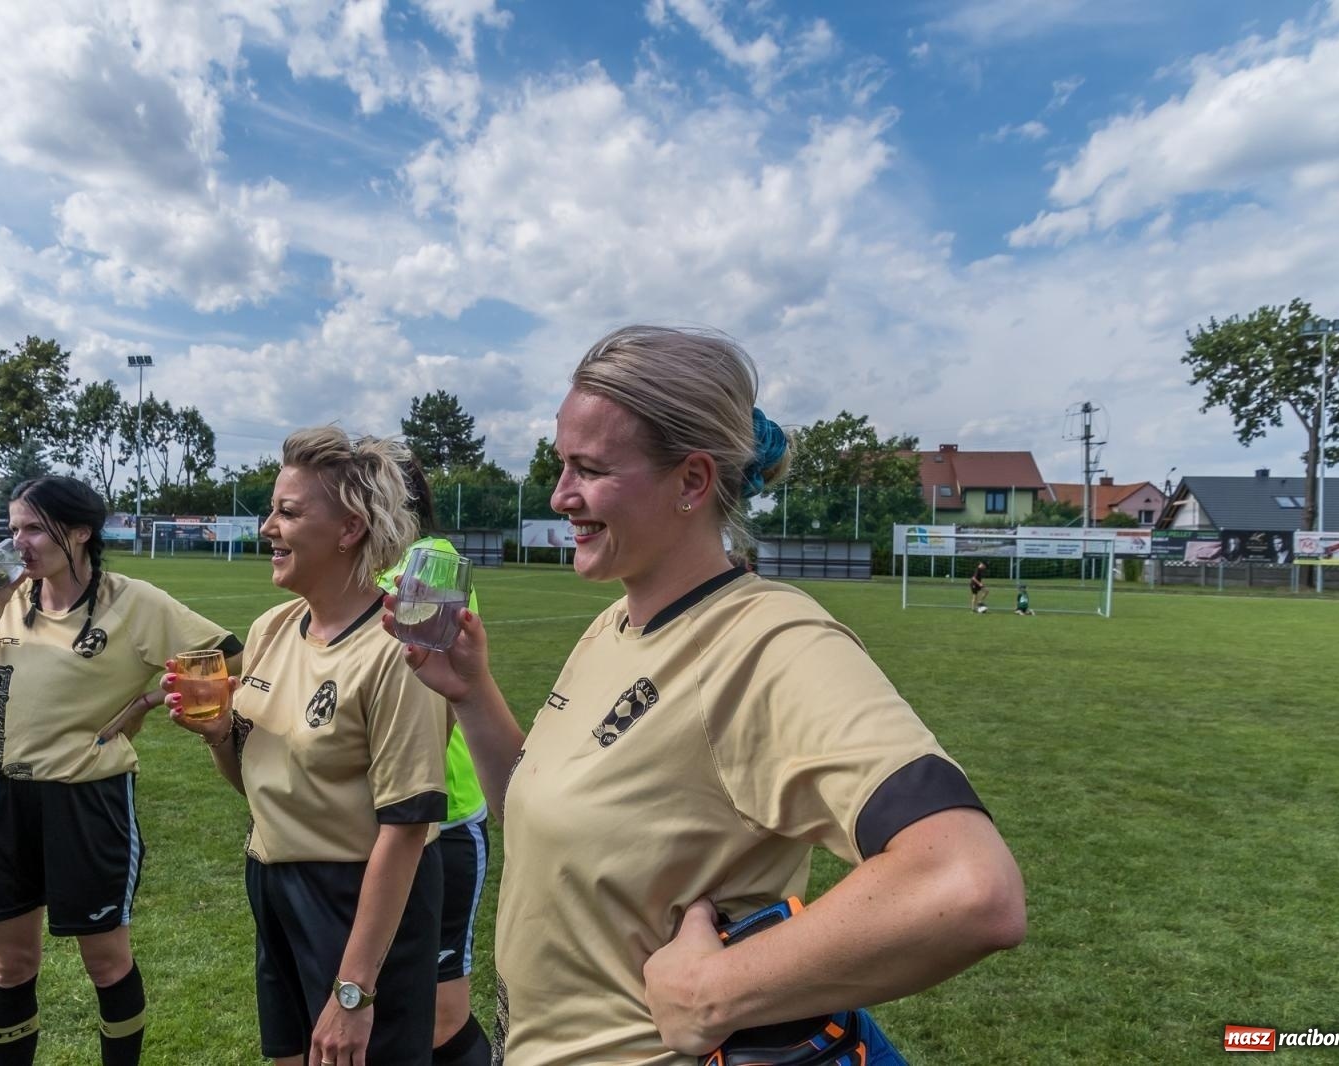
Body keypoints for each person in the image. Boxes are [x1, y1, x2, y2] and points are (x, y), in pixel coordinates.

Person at [388, 325, 1026, 1065]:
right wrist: (471, 692)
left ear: (692, 481)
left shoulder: (770, 642)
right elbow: (547, 817)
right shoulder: (613, 625)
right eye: (562, 465)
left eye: (588, 468)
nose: (562, 495)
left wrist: (717, 989)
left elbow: (968, 884)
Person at [165, 427, 448, 1066]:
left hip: (359, 901)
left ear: (350, 529)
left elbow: (405, 831)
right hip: (272, 880)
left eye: (288, 513)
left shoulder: (403, 650)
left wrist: (353, 993)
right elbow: (262, 779)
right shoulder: (271, 629)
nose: (268, 526)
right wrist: (218, 738)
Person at [0, 475, 242, 1066]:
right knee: (10, 965)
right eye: (13, 529)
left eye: (33, 528)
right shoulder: (7, 603)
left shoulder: (133, 602)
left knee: (105, 962)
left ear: (79, 532)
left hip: (88, 801)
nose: (18, 543)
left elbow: (230, 654)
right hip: (6, 799)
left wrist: (150, 700)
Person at [376, 458, 493, 1066]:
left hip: (440, 816)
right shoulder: (377, 566)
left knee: (441, 1015)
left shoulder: (431, 562)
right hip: (391, 817)